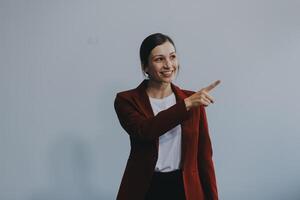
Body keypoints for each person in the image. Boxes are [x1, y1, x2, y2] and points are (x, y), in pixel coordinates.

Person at [114, 33, 220, 200]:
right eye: (159, 59)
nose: (168, 65)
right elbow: (145, 131)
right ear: (145, 67)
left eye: (172, 57)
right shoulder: (126, 100)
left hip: (186, 188)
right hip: (145, 189)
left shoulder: (193, 100)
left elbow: (204, 157)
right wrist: (185, 105)